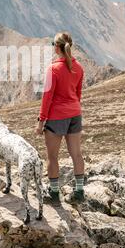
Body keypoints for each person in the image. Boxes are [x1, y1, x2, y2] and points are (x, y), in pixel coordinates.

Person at [35, 32, 85, 203]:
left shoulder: (53, 69)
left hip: (56, 117)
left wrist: (41, 122)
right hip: (75, 114)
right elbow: (78, 94)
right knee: (76, 154)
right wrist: (72, 108)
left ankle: (54, 193)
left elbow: (47, 97)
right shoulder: (78, 67)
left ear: (57, 47)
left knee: (53, 157)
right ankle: (79, 192)